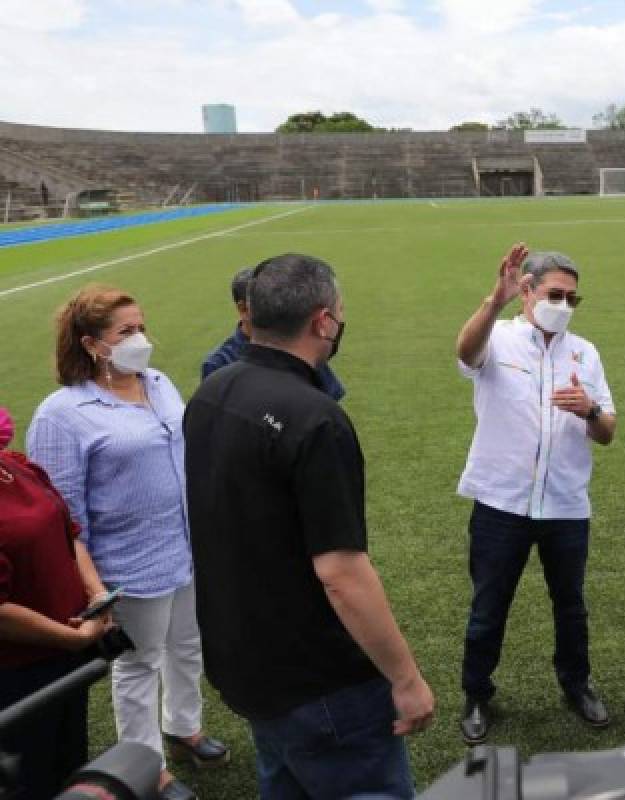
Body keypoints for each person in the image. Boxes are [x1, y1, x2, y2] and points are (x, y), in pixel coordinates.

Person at [184, 253, 434, 800]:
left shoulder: (212, 389)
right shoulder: (316, 418)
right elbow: (342, 573)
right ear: (323, 321)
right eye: (339, 313)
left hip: (245, 664)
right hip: (319, 682)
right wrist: (407, 679)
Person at [27, 285, 225, 800]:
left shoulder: (157, 383)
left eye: (141, 326)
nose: (142, 338)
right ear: (93, 344)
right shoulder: (62, 412)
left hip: (185, 546)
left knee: (187, 645)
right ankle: (147, 766)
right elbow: (61, 511)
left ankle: (185, 728)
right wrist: (91, 586)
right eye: (126, 331)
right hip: (127, 564)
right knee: (139, 665)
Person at [454, 244, 617, 745]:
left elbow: (608, 431)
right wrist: (493, 300)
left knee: (570, 604)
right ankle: (476, 694)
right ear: (526, 291)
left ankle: (577, 684)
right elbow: (465, 353)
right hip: (502, 503)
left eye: (572, 298)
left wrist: (589, 410)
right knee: (489, 606)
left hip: (566, 505)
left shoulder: (584, 352)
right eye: (555, 294)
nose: (564, 306)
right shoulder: (498, 340)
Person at [0, 434, 112, 799]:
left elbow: (71, 536)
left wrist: (96, 593)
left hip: (68, 656)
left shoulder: (18, 466)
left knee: (71, 761)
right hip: (18, 673)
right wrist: (71, 637)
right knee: (30, 776)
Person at [201, 266, 345, 400]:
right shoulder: (219, 363)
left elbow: (330, 398)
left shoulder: (297, 342)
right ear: (243, 309)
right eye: (261, 303)